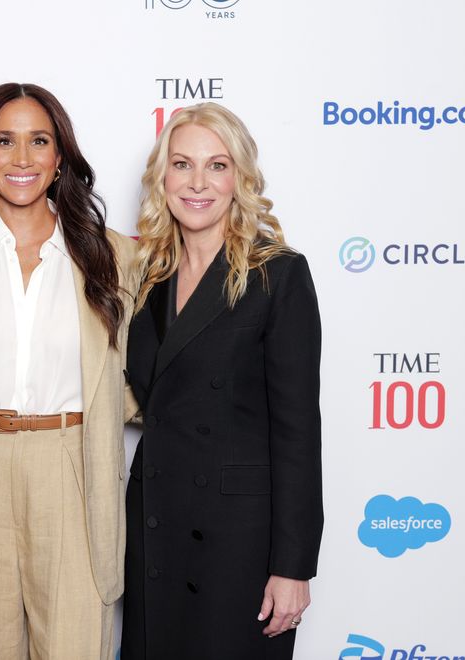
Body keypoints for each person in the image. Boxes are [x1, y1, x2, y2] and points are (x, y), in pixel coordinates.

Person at [0, 83, 139, 659]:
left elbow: (136, 379)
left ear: (60, 156)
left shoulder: (116, 258)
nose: (22, 158)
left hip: (72, 468)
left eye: (39, 141)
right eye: (4, 141)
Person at [121, 102, 323, 659]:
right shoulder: (146, 277)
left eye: (217, 165)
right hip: (156, 526)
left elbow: (298, 433)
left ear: (240, 178)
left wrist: (293, 567)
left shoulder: (277, 274)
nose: (198, 182)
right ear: (162, 177)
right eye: (182, 164)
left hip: (238, 542)